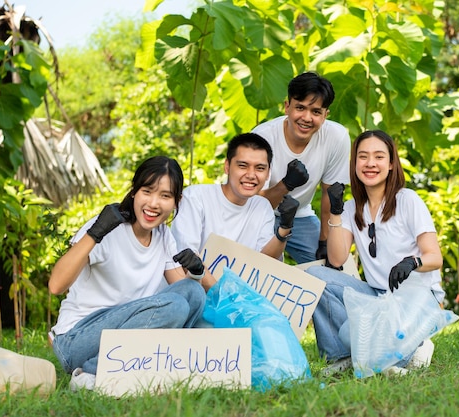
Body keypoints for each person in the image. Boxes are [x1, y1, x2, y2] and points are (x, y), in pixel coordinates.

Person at [48, 156, 207, 391]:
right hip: (77, 338)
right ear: (134, 192)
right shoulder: (106, 228)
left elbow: (186, 293)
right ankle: (89, 374)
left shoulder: (163, 235)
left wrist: (195, 272)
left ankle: (155, 365)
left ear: (176, 201)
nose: (154, 203)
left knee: (194, 292)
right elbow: (56, 286)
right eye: (147, 191)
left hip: (122, 330)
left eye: (165, 196)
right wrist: (95, 233)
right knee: (174, 306)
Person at [306, 130, 445, 376]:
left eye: (379, 157)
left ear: (391, 164)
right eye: (363, 157)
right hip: (377, 294)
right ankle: (343, 355)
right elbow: (336, 260)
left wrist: (413, 262)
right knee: (316, 275)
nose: (370, 163)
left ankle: (418, 347)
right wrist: (336, 213)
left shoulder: (407, 200)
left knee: (386, 356)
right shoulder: (351, 208)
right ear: (355, 163)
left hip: (416, 297)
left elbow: (435, 257)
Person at [171, 132, 299, 291]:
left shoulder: (262, 206)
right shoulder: (196, 197)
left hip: (238, 296)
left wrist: (284, 228)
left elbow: (265, 263)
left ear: (268, 174)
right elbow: (187, 258)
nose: (251, 175)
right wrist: (229, 301)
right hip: (196, 292)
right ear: (227, 166)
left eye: (260, 168)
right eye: (242, 166)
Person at [252, 71, 350, 264]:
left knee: (334, 265)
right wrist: (286, 184)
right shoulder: (261, 138)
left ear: (325, 115)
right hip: (256, 215)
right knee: (258, 270)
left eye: (316, 112)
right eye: (300, 108)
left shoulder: (336, 137)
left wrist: (324, 241)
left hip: (301, 216)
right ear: (287, 107)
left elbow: (330, 195)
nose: (306, 118)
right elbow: (250, 203)